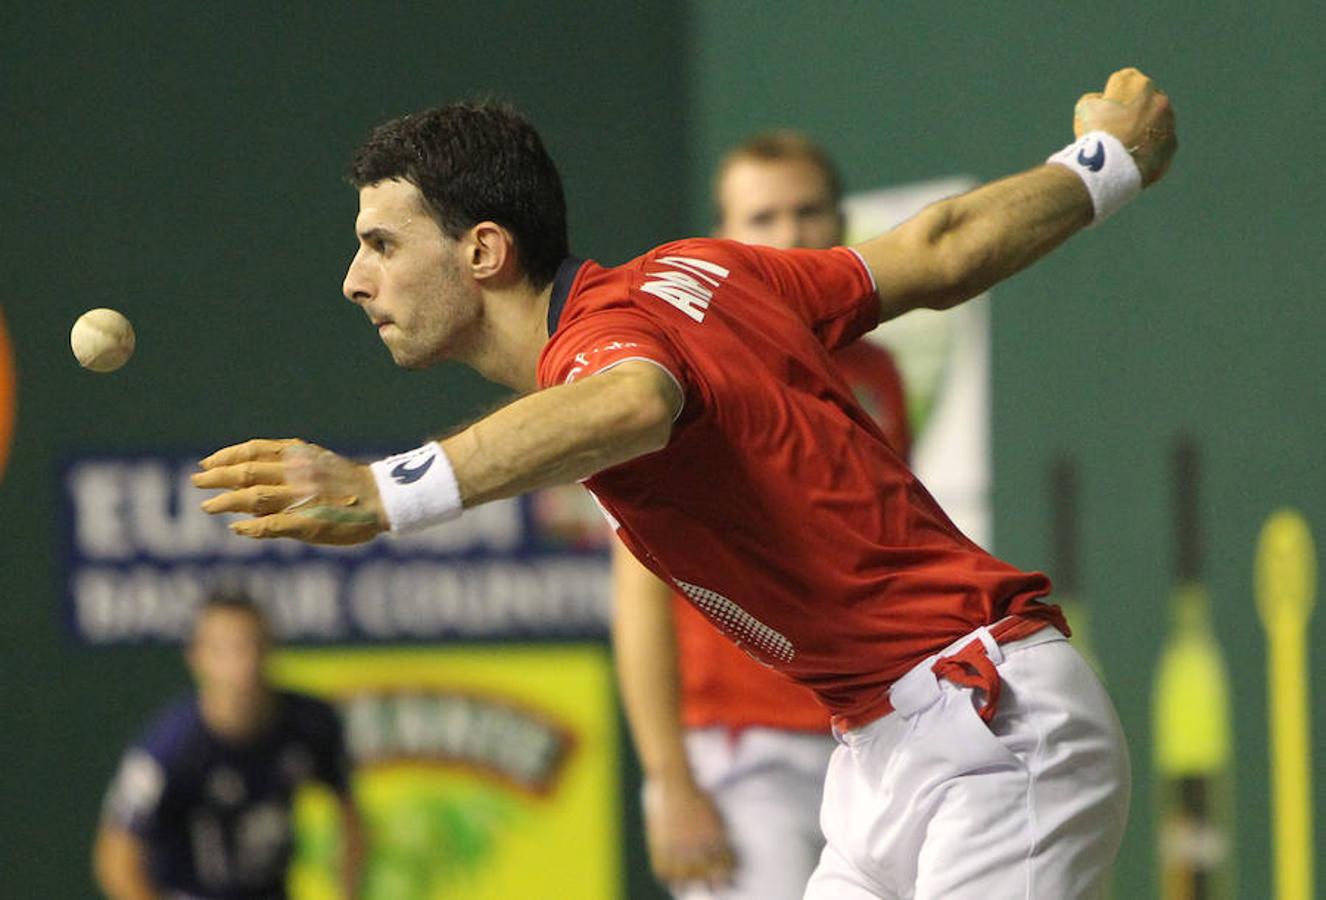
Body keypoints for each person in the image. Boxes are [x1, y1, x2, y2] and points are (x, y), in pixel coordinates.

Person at [193, 67, 1176, 898]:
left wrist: (384, 493)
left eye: (381, 245)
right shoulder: (701, 272)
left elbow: (630, 404)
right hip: (884, 752)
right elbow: (942, 248)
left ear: (484, 252)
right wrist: (1109, 161)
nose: (355, 281)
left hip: (987, 724)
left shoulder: (608, 347)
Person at [610, 130, 910, 898]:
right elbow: (639, 594)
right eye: (764, 217)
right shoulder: (673, 375)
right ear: (722, 242)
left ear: (841, 223)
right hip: (739, 755)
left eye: (809, 211)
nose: (791, 235)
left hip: (873, 737)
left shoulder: (876, 374)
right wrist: (669, 780)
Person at [93, 592, 363, 899]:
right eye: (226, 649)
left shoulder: (310, 724)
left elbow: (351, 818)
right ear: (197, 657)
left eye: (253, 644)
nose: (243, 663)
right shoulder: (168, 749)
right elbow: (115, 856)